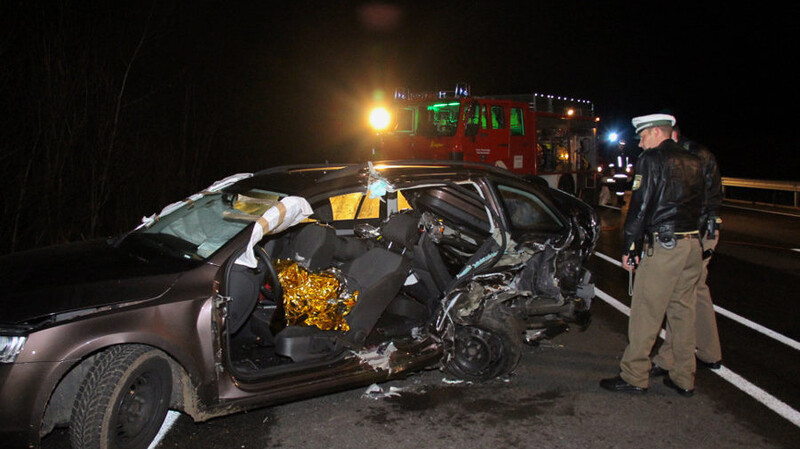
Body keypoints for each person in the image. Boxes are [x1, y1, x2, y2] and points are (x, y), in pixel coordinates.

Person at [600, 113, 705, 396]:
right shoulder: (695, 160)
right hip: (691, 245)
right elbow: (704, 204)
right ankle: (684, 377)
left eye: (644, 136)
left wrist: (630, 247)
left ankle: (634, 375)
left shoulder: (652, 159)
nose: (641, 143)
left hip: (664, 247)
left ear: (657, 133)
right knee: (683, 314)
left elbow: (640, 206)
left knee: (646, 313)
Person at [651, 127, 723, 376]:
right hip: (704, 230)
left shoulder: (684, 157)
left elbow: (688, 201)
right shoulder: (700, 153)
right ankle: (709, 352)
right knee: (697, 291)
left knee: (679, 297)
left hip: (694, 232)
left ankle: (669, 359)